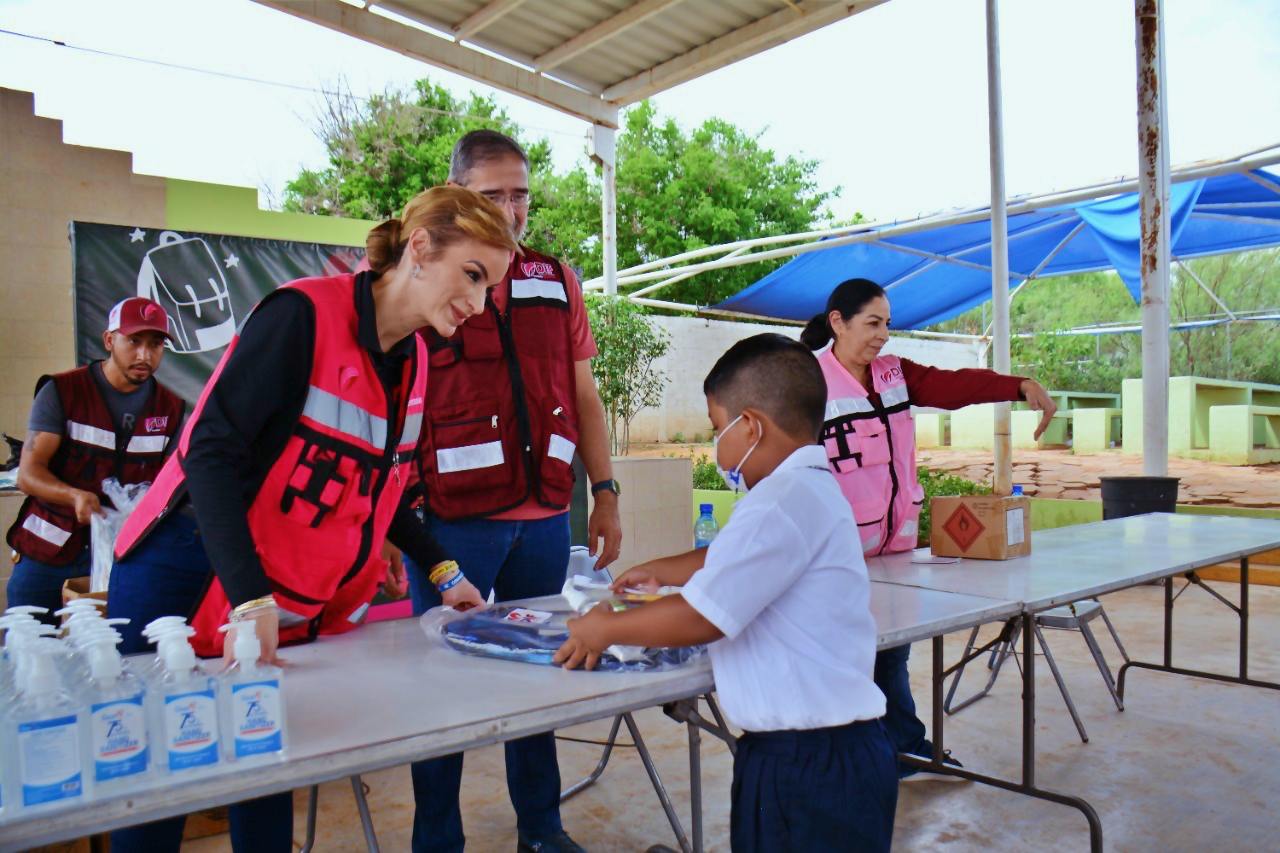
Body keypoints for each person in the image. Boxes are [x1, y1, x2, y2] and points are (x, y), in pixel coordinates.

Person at [104, 186, 507, 852]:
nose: (479, 301)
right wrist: (248, 594)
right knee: (159, 790)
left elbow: (384, 487)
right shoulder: (302, 314)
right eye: (473, 274)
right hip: (182, 570)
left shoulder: (415, 358)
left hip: (266, 591)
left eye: (490, 286)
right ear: (421, 247)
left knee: (265, 774)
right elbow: (209, 449)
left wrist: (444, 566)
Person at [556, 334, 897, 853]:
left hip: (804, 766)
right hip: (839, 754)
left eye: (719, 428)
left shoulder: (779, 501)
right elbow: (739, 558)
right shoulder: (805, 489)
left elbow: (701, 618)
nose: (717, 446)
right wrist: (664, 571)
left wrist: (605, 627)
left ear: (752, 426)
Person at [403, 130, 621, 853]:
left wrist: (607, 490)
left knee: (541, 680)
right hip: (453, 525)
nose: (510, 206)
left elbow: (584, 396)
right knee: (440, 688)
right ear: (459, 194)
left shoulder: (557, 278)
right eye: (491, 193)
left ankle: (542, 829)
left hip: (545, 520)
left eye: (520, 193)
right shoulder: (430, 277)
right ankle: (438, 838)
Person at [799, 277, 1057, 782]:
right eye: (872, 322)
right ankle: (865, 757)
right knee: (844, 660)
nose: (882, 335)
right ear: (837, 322)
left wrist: (1019, 386)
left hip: (893, 552)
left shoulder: (894, 374)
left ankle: (902, 750)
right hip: (834, 556)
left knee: (891, 656)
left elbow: (954, 385)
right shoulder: (806, 381)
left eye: (887, 324)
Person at [6, 297, 184, 620]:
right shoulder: (62, 391)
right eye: (134, 341)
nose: (145, 355)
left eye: (156, 344)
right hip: (46, 554)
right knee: (30, 653)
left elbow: (171, 487)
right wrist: (73, 495)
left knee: (110, 658)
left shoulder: (172, 409)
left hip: (121, 557)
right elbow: (27, 475)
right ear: (109, 340)